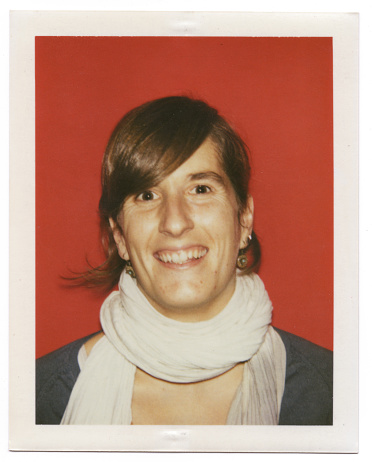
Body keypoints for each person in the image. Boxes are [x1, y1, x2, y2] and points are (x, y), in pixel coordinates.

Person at [36, 96, 333, 425]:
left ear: (244, 219)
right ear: (120, 236)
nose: (175, 223)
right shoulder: (36, 400)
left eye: (201, 189)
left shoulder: (336, 396)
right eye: (147, 195)